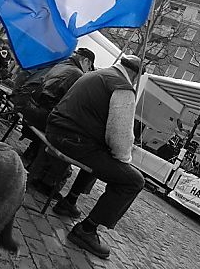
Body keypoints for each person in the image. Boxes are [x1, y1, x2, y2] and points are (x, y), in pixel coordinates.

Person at [45, 55, 146, 259]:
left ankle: (69, 201)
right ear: (135, 75)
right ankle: (87, 230)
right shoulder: (122, 87)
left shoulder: (98, 73)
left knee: (103, 151)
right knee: (134, 181)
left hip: (56, 131)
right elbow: (119, 138)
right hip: (73, 140)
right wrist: (124, 160)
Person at [23, 48, 96, 191]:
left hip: (32, 108)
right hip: (42, 115)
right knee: (69, 138)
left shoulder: (63, 64)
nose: (89, 70)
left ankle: (34, 158)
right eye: (90, 67)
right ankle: (46, 181)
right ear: (86, 61)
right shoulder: (77, 74)